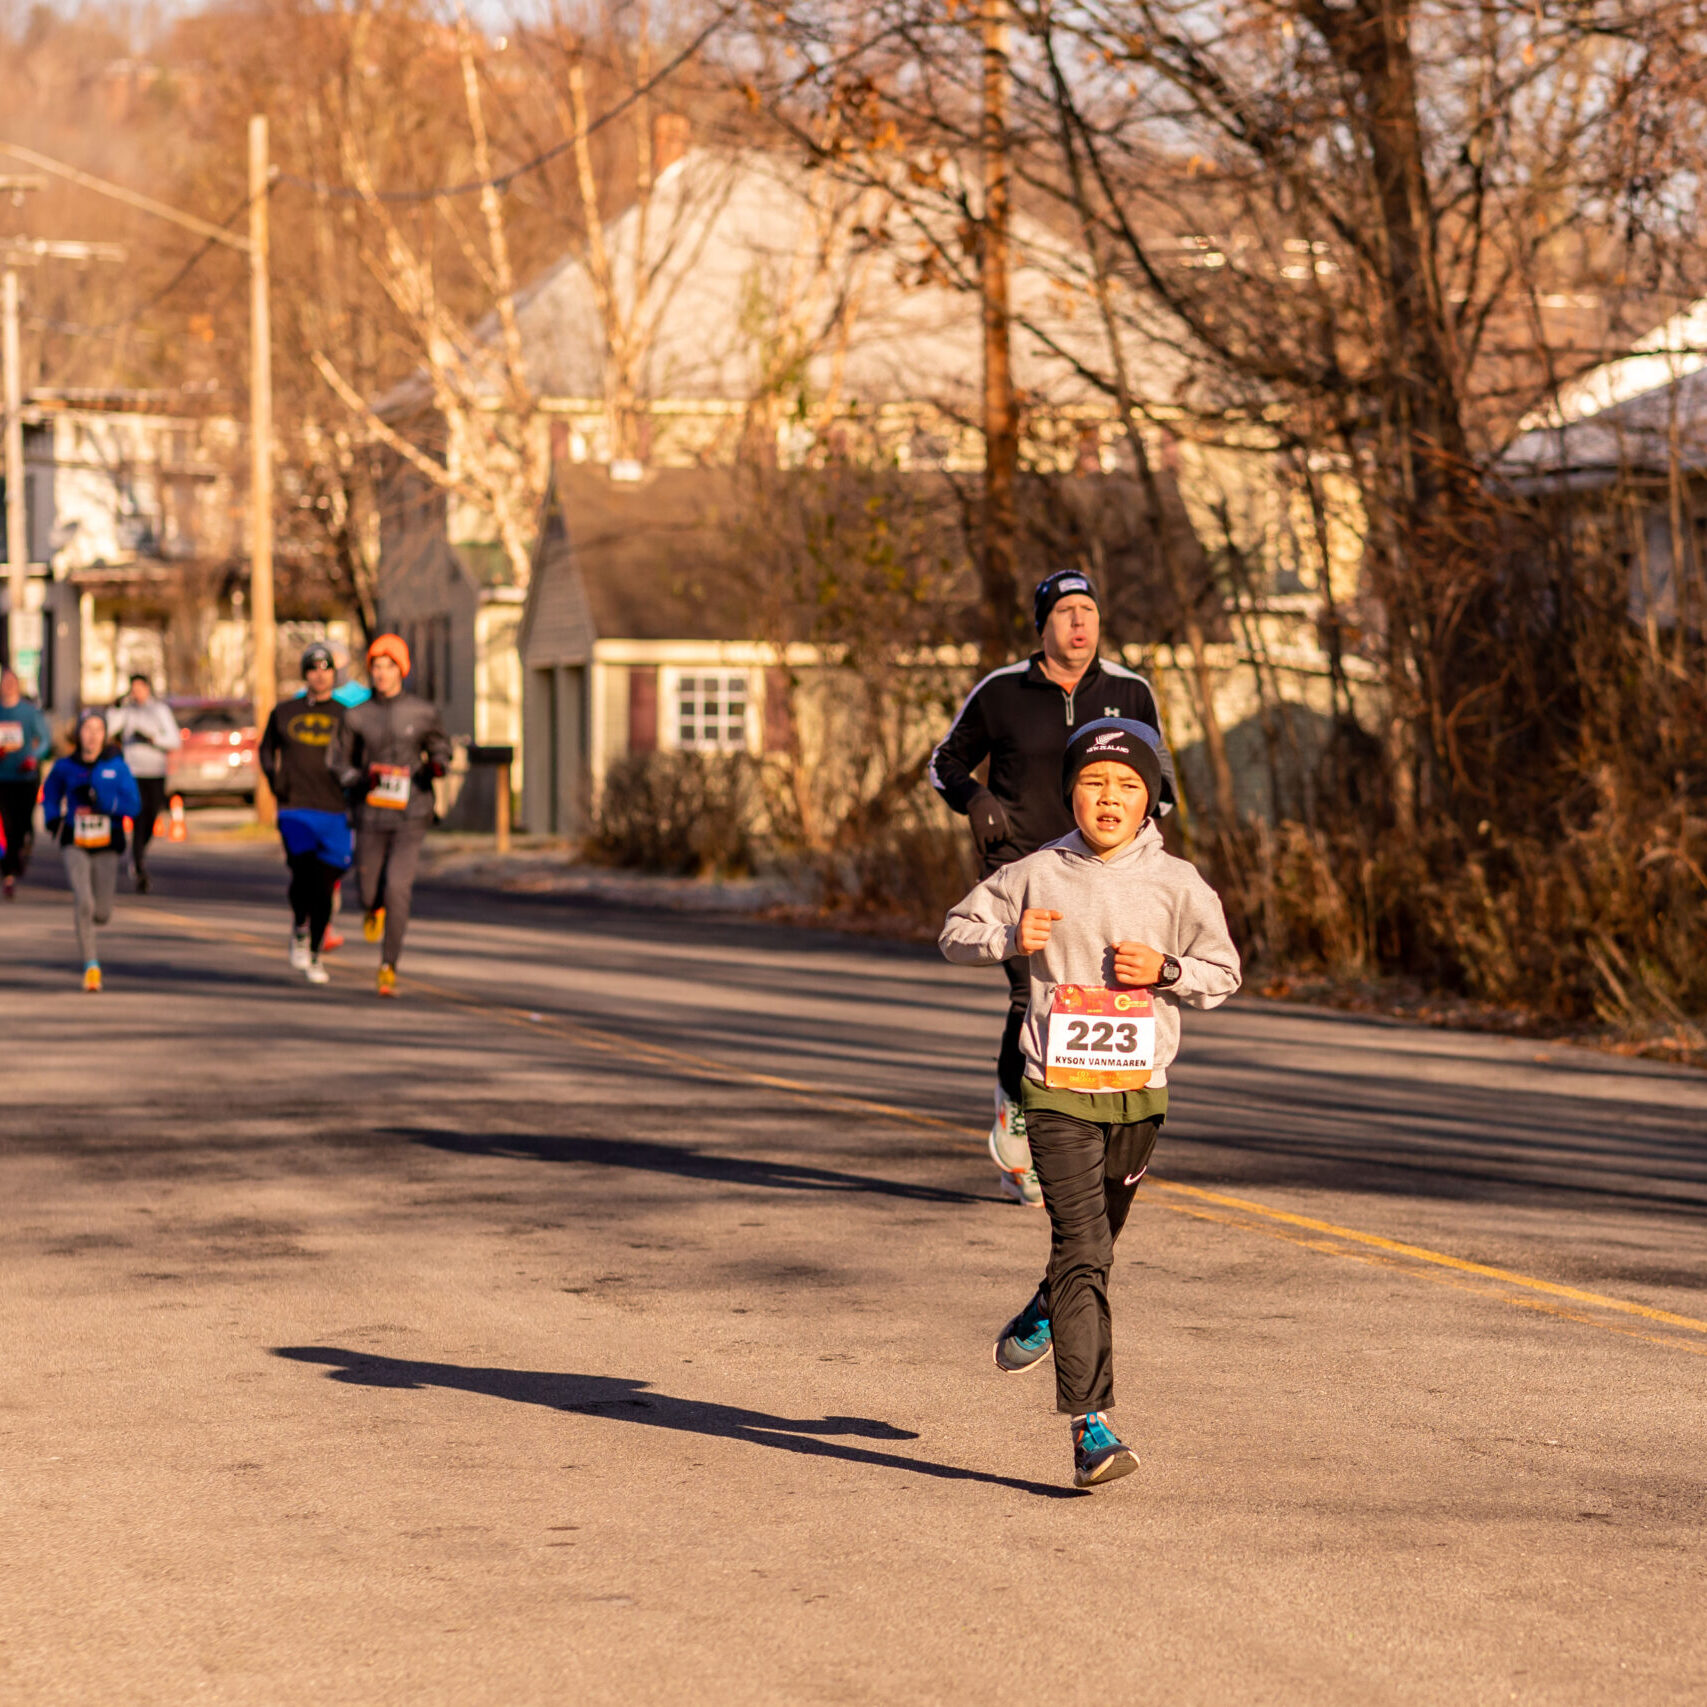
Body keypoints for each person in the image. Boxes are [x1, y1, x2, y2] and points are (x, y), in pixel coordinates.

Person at [939, 717, 1240, 1488]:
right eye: (1094, 782)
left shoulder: (1178, 884)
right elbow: (953, 932)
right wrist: (1008, 934)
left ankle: (1044, 1308)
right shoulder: (1038, 872)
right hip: (1055, 1093)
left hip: (1138, 1097)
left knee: (1094, 1246)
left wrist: (1167, 969)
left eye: (1126, 785)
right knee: (1083, 1248)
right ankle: (1090, 1426)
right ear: (1071, 792)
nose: (1108, 797)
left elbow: (1223, 973)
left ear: (1150, 802)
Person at [930, 570, 1178, 1207]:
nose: (1079, 623)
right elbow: (944, 762)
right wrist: (977, 797)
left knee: (1095, 999)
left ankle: (1089, 1131)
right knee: (1032, 993)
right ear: (1042, 624)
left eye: (1088, 611)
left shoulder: (1130, 689)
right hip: (1027, 868)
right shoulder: (1002, 691)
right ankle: (1021, 1112)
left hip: (1108, 873)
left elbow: (1163, 782)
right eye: (1066, 611)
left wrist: (1145, 849)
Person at [328, 633, 450, 997]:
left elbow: (440, 749)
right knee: (369, 892)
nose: (382, 673)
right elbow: (339, 763)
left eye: (389, 666)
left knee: (398, 886)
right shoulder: (357, 715)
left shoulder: (422, 712)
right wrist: (359, 778)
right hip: (369, 814)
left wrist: (437, 766)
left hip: (411, 813)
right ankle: (371, 908)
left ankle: (388, 965)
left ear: (402, 669)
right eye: (376, 667)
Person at [259, 642, 352, 985]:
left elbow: (358, 756)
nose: (320, 674)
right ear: (305, 673)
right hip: (295, 807)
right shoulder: (284, 712)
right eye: (313, 668)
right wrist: (276, 782)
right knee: (303, 874)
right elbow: (266, 751)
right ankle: (300, 926)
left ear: (334, 673)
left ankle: (314, 950)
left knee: (326, 885)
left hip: (335, 809)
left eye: (326, 668)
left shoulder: (346, 715)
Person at [41, 710, 142, 992]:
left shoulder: (117, 766)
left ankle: (94, 929)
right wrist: (52, 817)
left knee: (102, 912)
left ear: (105, 734)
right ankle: (91, 965)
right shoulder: (65, 766)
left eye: (98, 729)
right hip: (75, 840)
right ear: (79, 733)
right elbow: (50, 792)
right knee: (83, 901)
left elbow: (134, 805)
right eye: (87, 729)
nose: (92, 735)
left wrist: (104, 805)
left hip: (107, 843)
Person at [107, 674, 180, 894]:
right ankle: (138, 863)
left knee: (151, 816)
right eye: (133, 688)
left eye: (140, 687)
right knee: (138, 816)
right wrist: (116, 707)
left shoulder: (159, 711)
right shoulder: (128, 712)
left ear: (148, 688)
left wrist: (152, 738)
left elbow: (174, 740)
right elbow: (108, 730)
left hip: (155, 772)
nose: (137, 692)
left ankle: (138, 853)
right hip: (133, 772)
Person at [0, 666, 53, 899]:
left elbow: (45, 740)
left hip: (25, 777)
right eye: (5, 681)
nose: (9, 685)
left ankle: (22, 846)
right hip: (2, 777)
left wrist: (34, 757)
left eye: (13, 681)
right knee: (7, 826)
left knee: (21, 823)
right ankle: (9, 873)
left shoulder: (30, 712)